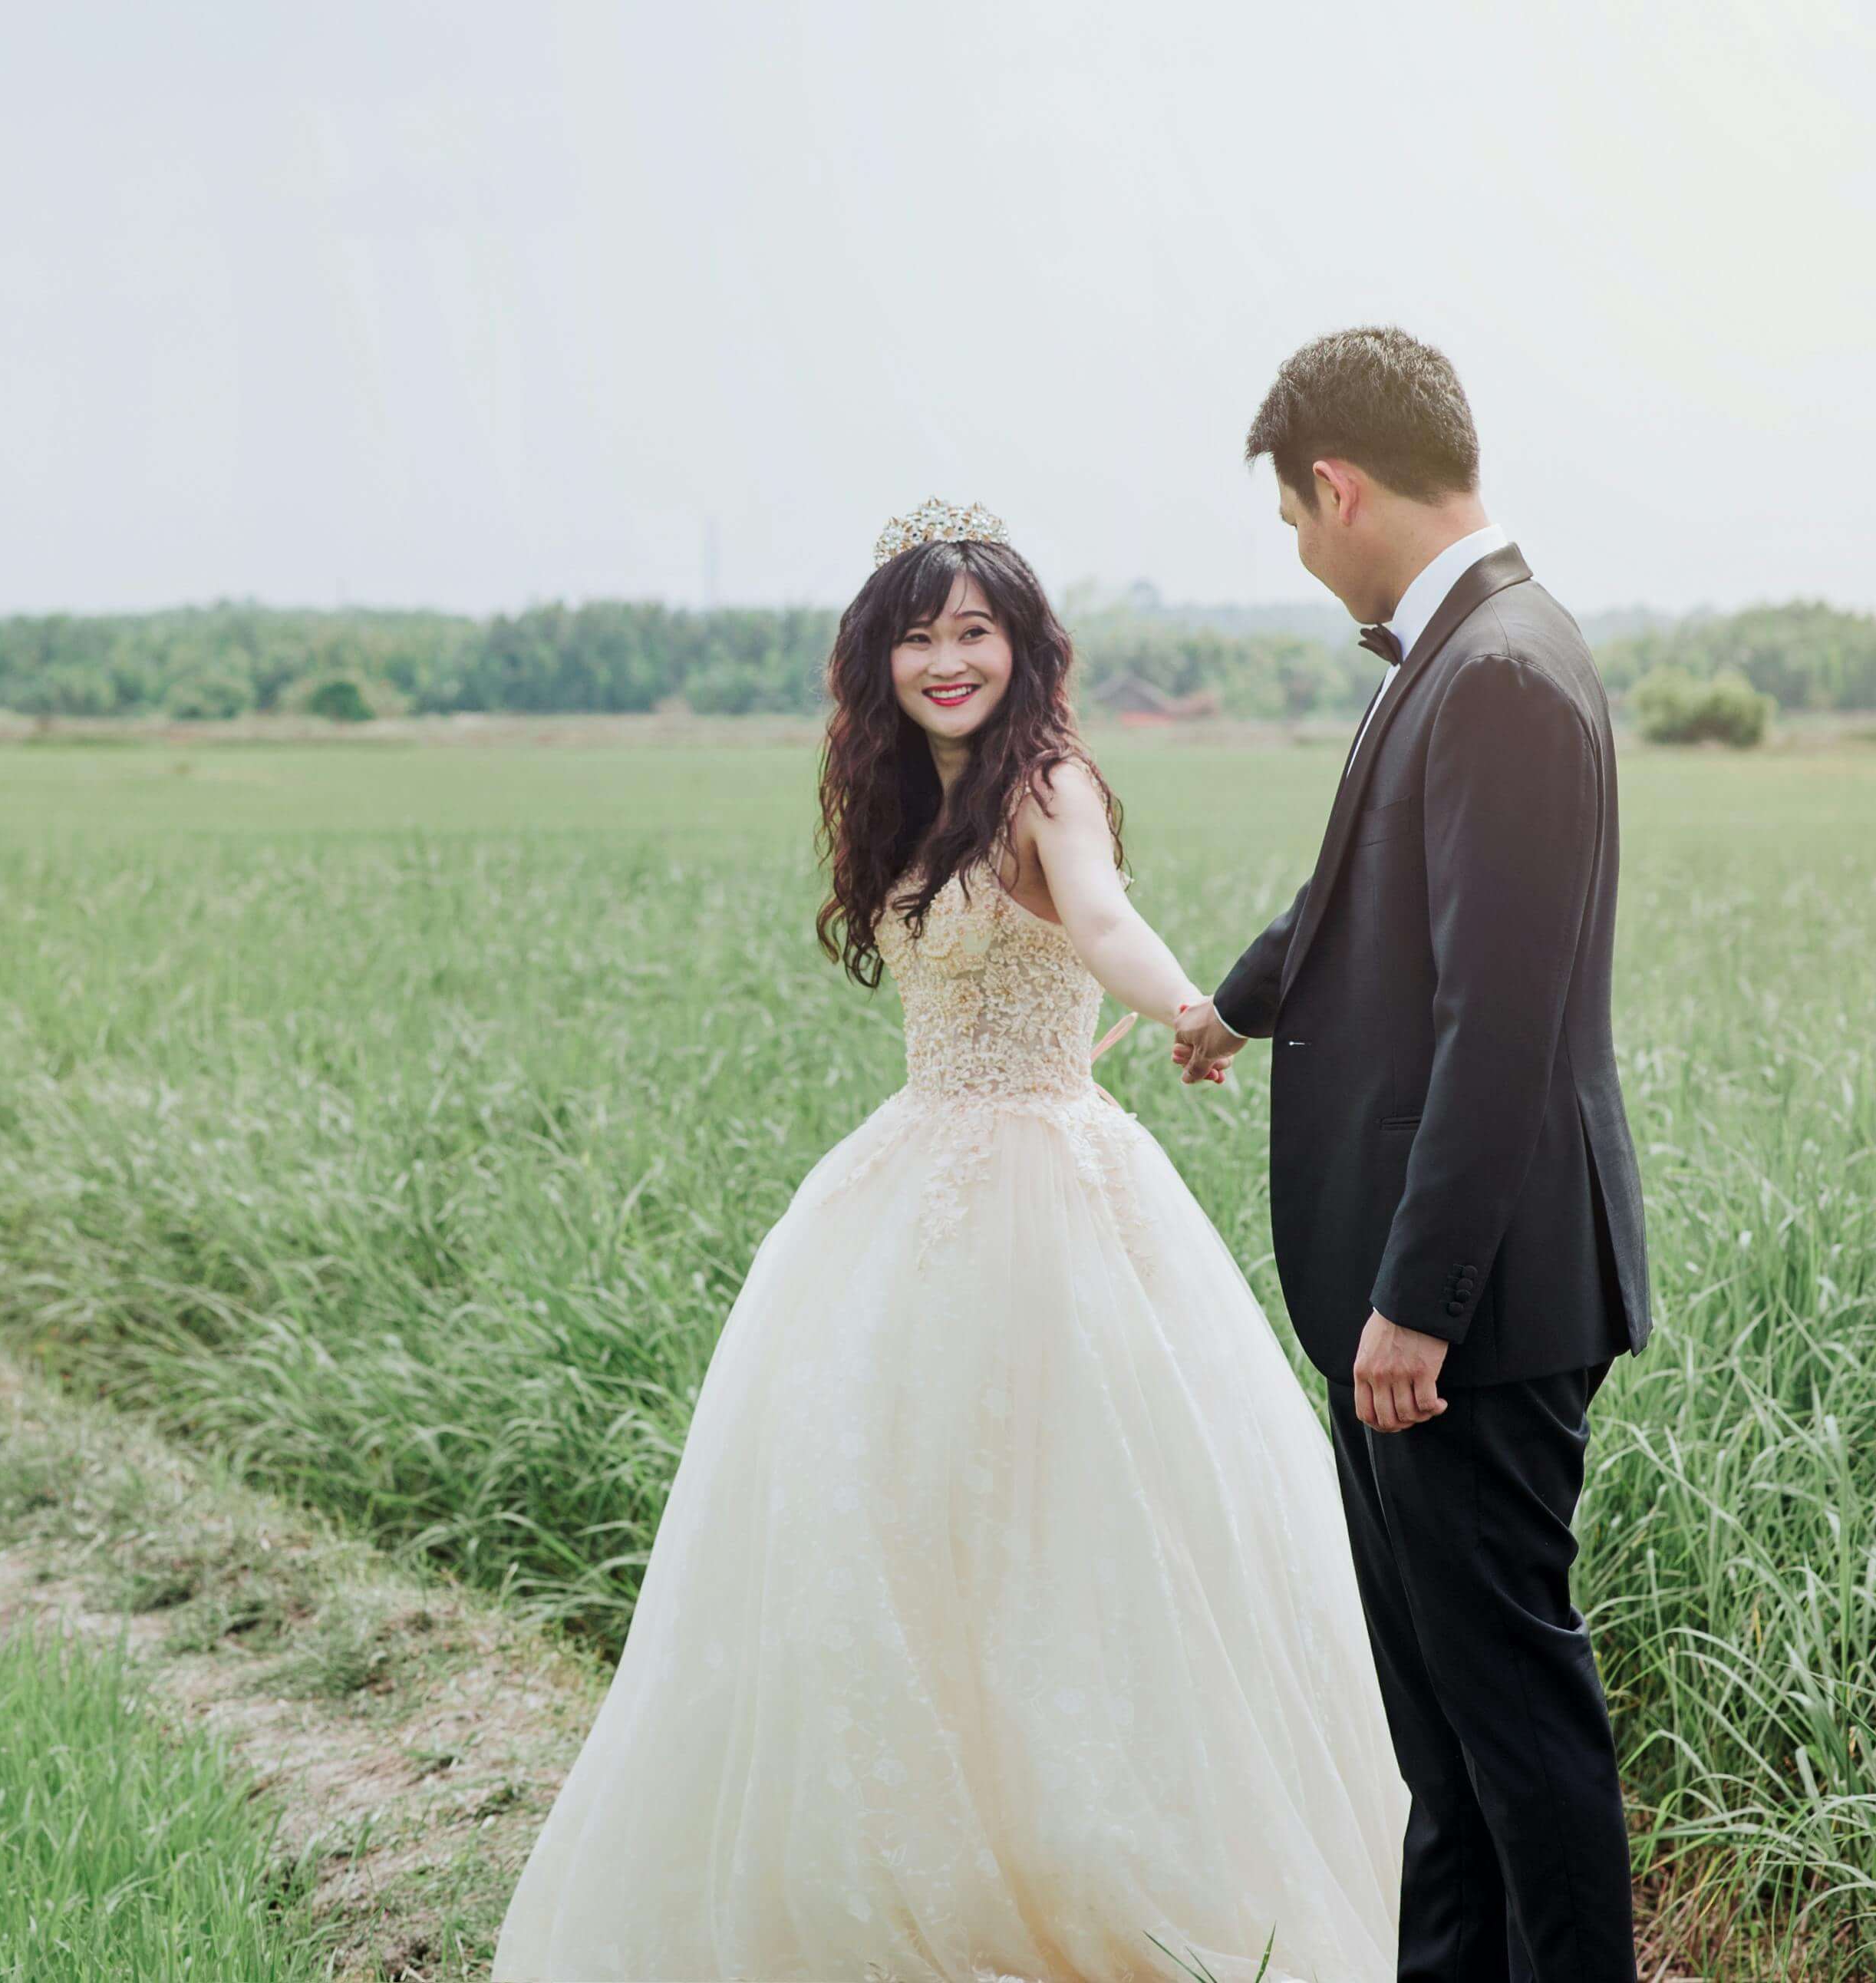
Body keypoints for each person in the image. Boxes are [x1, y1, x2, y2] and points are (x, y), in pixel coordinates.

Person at [493, 498, 1406, 1982]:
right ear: (881, 661)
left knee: (1069, 1529)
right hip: (910, 1183)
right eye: (917, 636)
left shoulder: (1049, 781)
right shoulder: (904, 797)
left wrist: (1187, 1005)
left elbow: (1101, 919)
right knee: (890, 1527)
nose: (946, 659)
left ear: (1020, 646)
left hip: (1047, 1192)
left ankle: (1095, 1873)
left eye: (973, 631)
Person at [1175, 328, 1653, 1983]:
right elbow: (1361, 896)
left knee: (1512, 1733)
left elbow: (1498, 1025)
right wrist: (1235, 1002)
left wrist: (1418, 1301)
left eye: (1295, 522)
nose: (1303, 558)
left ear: (1337, 482)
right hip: (1420, 1306)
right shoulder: (1462, 651)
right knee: (1442, 1749)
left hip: (1469, 1315)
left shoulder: (1504, 669)